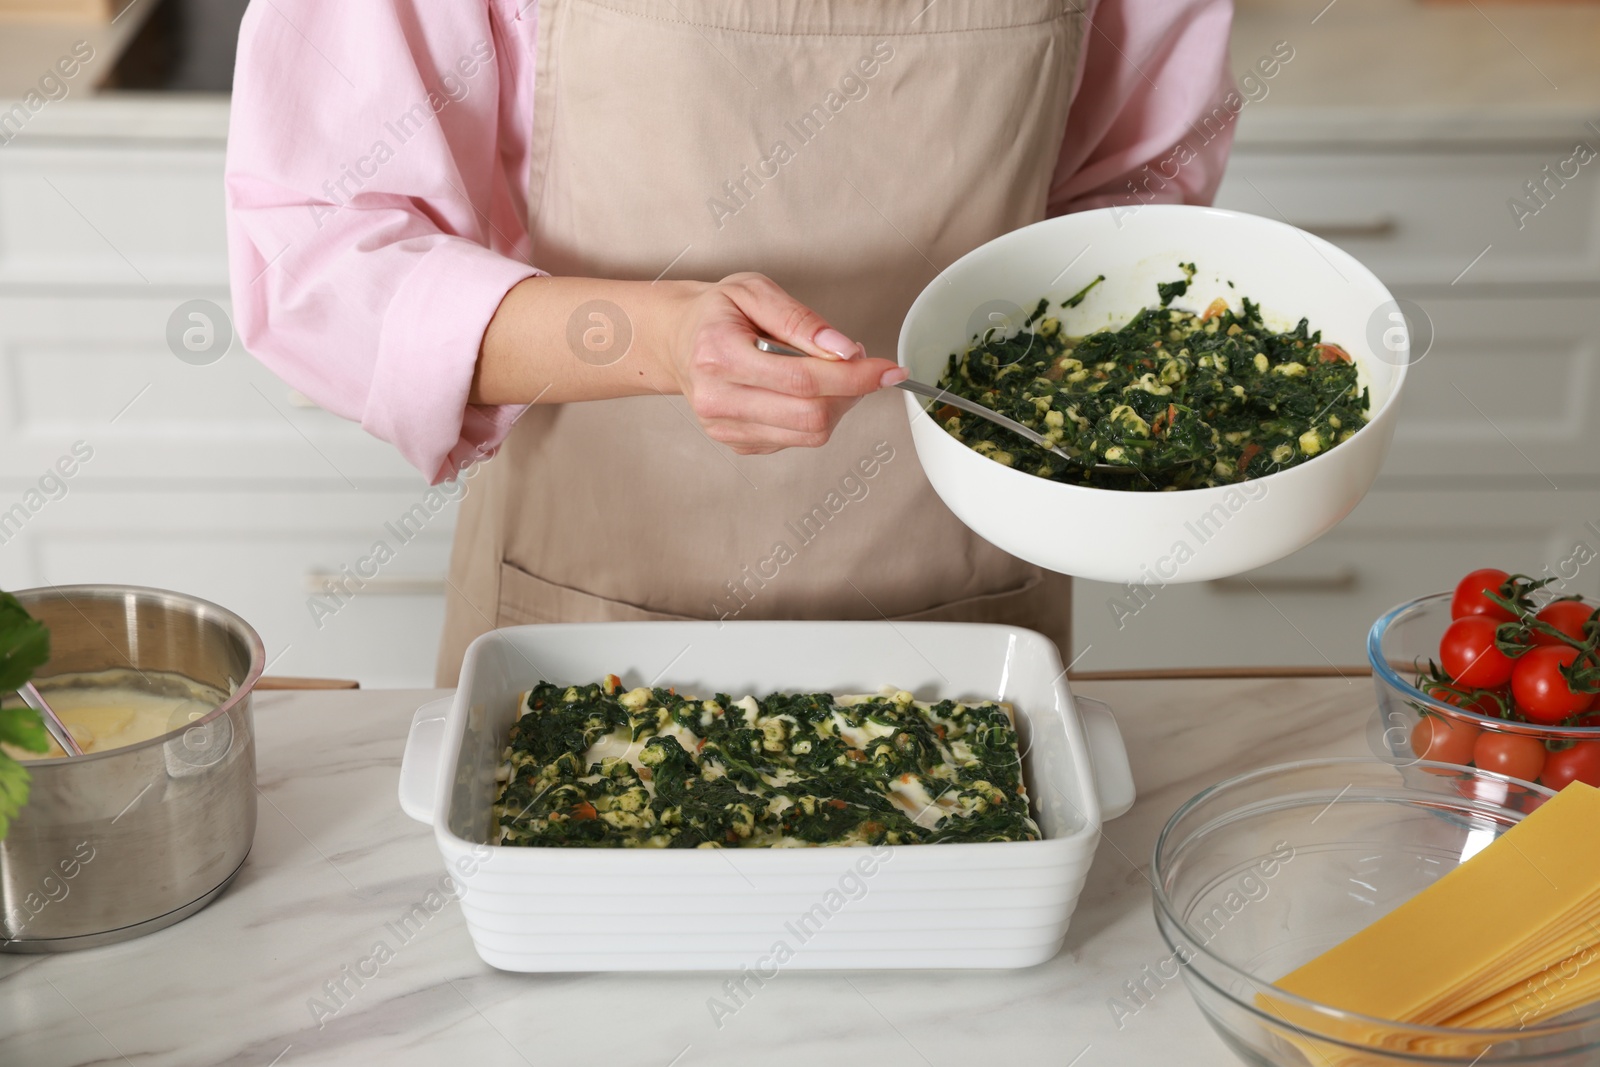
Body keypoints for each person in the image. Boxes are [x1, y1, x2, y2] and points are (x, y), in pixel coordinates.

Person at [225, 0, 1236, 684]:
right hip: (584, 599)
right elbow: (319, 250)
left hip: (966, 609)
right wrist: (655, 338)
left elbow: (1127, 199)